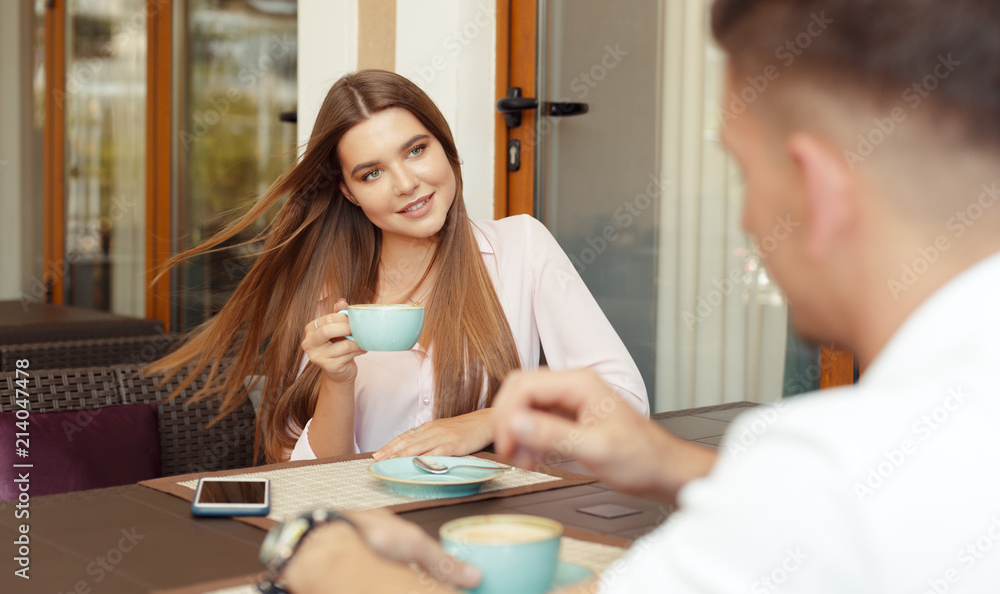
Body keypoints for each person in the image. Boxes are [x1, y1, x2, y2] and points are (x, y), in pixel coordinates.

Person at [272, 0, 1000, 591]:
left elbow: (823, 502)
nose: (745, 218)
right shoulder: (883, 453)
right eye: (372, 171)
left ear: (818, 187)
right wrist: (677, 464)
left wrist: (322, 558)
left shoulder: (829, 468)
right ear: (348, 190)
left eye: (743, 171)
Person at [147, 69, 648, 464]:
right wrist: (336, 382)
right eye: (372, 172)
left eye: (416, 149)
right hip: (373, 540)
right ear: (349, 191)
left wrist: (492, 422)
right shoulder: (326, 293)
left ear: (445, 146)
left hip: (491, 530)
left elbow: (624, 405)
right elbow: (307, 475)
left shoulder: (522, 247)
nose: (406, 183)